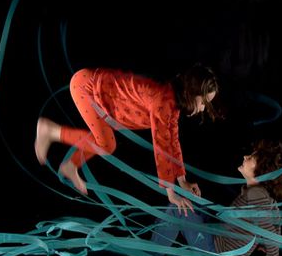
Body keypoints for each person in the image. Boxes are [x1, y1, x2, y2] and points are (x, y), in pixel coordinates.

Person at [35, 64, 219, 214]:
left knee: (107, 144)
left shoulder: (172, 103)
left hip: (93, 90)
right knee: (105, 144)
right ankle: (50, 131)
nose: (203, 108)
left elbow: (172, 140)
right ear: (191, 93)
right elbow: (162, 146)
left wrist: (182, 180)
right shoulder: (163, 101)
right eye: (204, 102)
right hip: (86, 87)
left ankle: (70, 165)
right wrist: (171, 193)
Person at [150, 139, 282, 256]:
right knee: (189, 202)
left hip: (215, 255)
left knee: (177, 209)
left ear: (261, 172)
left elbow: (269, 230)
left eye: (251, 158)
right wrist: (264, 244)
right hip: (220, 236)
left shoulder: (256, 194)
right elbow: (275, 216)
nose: (245, 156)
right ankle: (157, 243)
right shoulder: (262, 195)